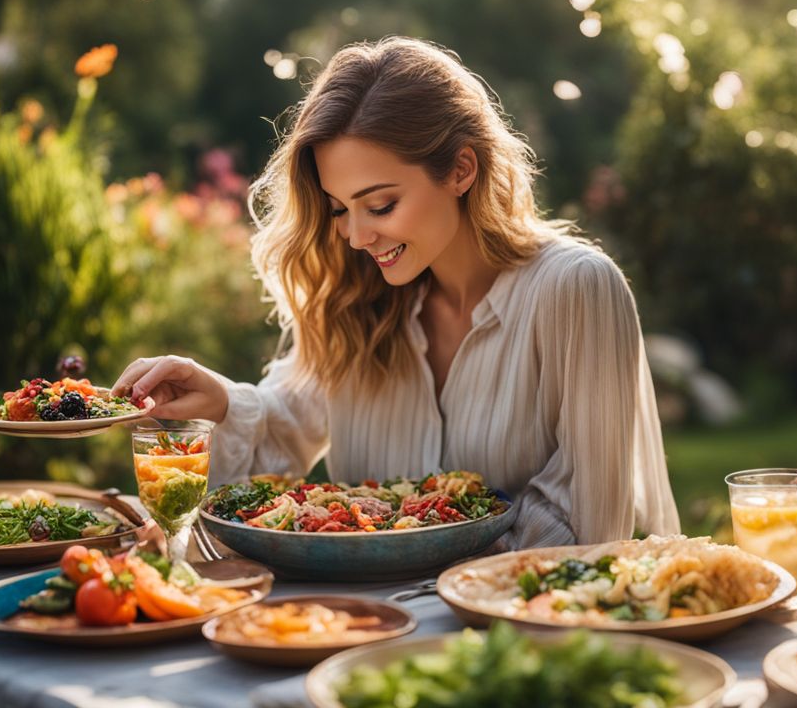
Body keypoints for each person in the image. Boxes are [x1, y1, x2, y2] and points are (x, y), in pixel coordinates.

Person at [112, 36, 679, 548]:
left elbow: (587, 523)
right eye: (340, 209)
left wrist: (414, 562)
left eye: (380, 205)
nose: (357, 236)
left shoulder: (575, 289)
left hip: (517, 641)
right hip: (349, 627)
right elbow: (286, 424)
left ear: (461, 169)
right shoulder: (358, 298)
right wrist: (219, 403)